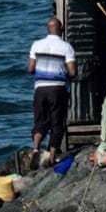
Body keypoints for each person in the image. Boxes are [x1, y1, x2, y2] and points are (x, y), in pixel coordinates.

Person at [27, 17, 76, 165]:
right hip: (58, 88)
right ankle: (52, 155)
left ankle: (36, 148)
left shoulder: (36, 45)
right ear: (61, 29)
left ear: (47, 29)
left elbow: (30, 69)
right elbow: (72, 72)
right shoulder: (66, 47)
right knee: (57, 122)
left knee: (40, 120)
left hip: (40, 89)